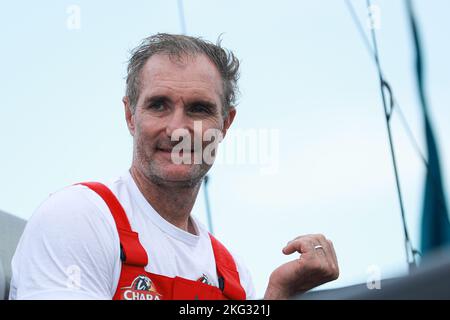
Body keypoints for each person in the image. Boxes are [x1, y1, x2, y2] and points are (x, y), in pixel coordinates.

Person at [9, 33, 339, 300]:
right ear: (130, 116)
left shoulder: (233, 275)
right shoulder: (79, 218)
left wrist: (277, 295)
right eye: (159, 105)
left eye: (198, 108)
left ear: (225, 124)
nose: (178, 129)